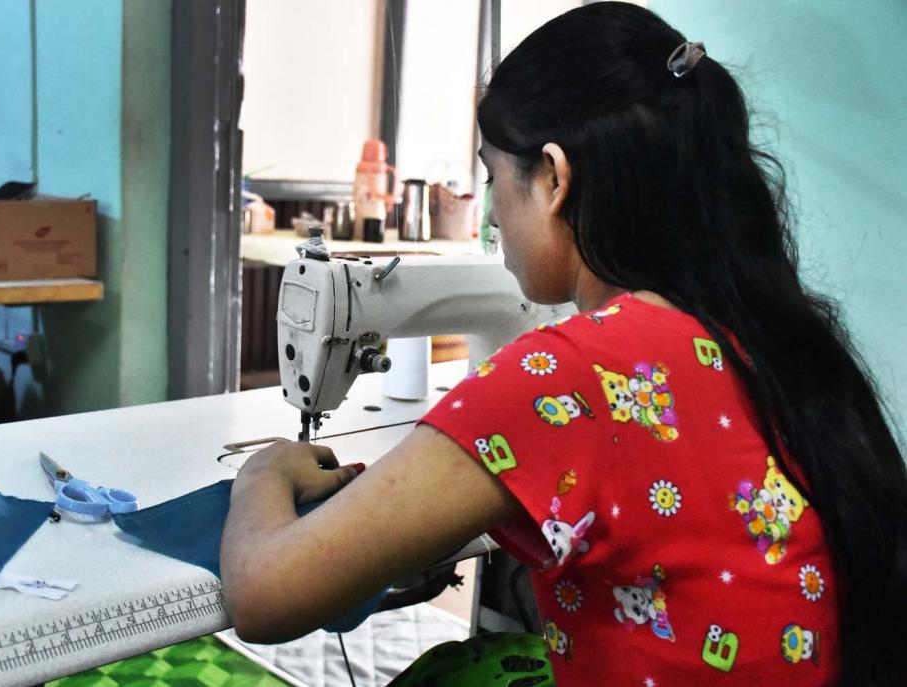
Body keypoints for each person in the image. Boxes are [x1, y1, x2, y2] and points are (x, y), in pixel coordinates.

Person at [221, 3, 907, 685]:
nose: (490, 212)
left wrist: (264, 474)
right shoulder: (766, 336)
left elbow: (264, 594)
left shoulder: (566, 374)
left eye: (494, 177)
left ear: (553, 177)